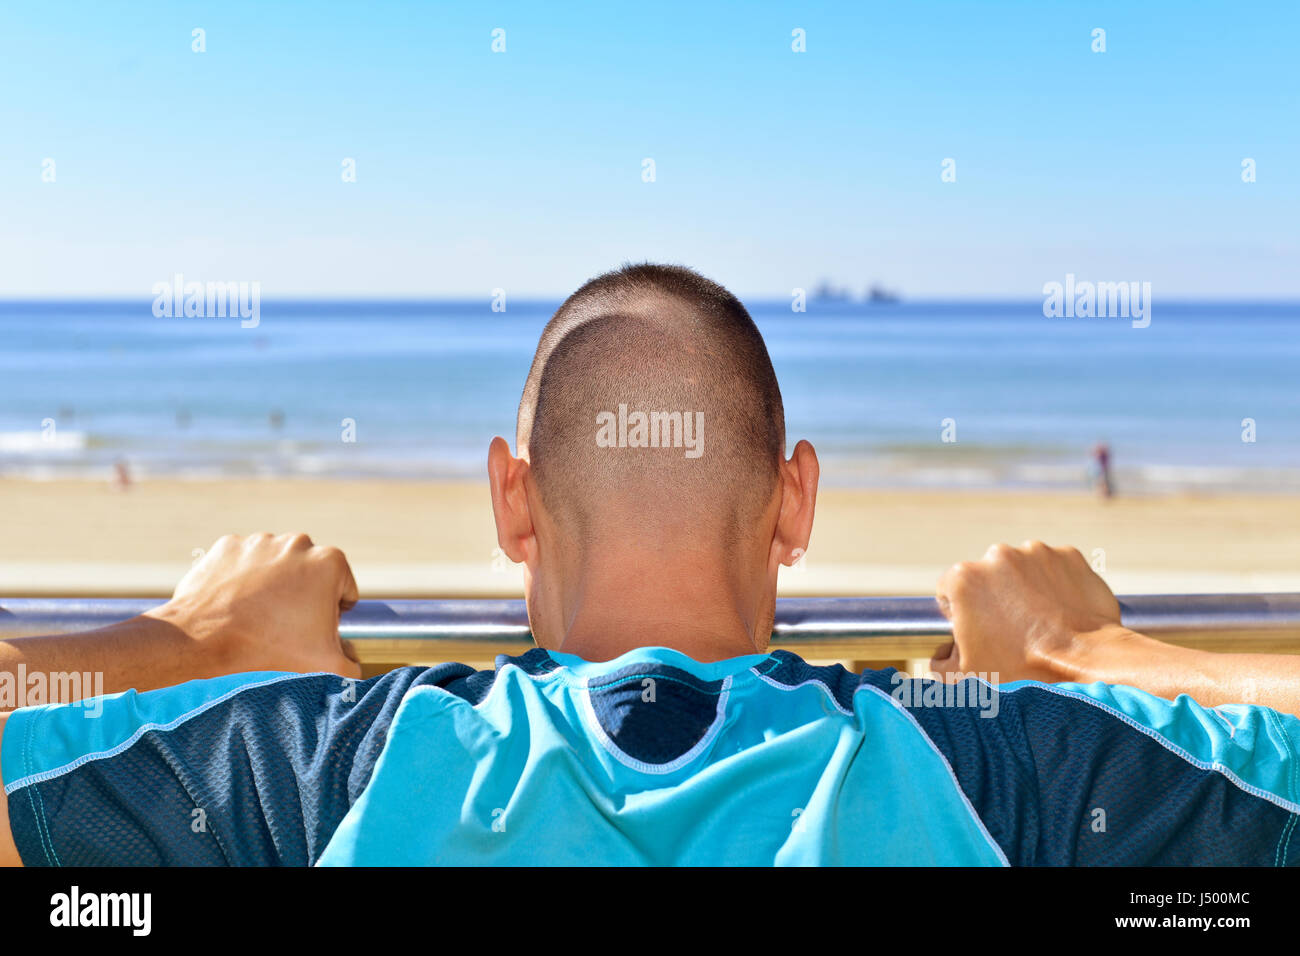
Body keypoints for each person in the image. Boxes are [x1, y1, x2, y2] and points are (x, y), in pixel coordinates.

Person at [2, 265, 1299, 866]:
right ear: (795, 503)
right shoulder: (982, 764)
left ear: (512, 501)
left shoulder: (327, 763)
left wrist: (196, 645)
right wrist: (1085, 650)